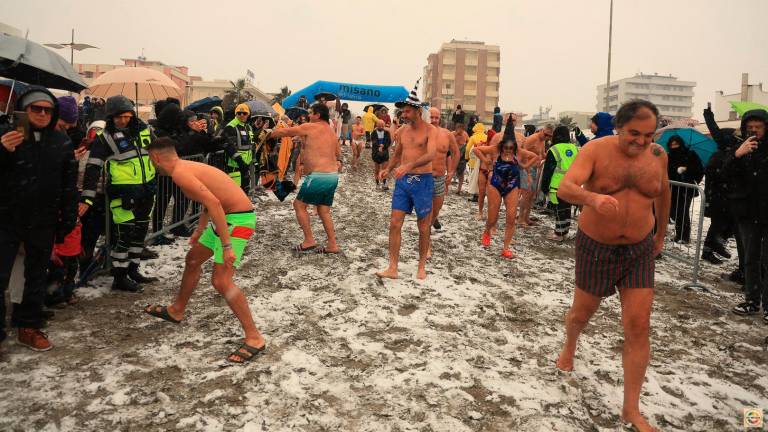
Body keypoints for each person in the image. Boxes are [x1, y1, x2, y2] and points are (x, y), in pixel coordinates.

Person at [554, 100, 670, 432]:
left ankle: (631, 409)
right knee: (581, 314)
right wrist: (593, 199)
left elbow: (662, 193)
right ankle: (570, 344)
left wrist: (660, 235)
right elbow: (566, 188)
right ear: (618, 126)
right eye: (634, 133)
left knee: (638, 325)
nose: (641, 141)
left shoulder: (659, 156)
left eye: (648, 135)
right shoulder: (595, 150)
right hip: (597, 247)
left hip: (639, 249)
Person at [143, 137, 265, 363]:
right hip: (225, 219)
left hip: (238, 221)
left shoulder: (180, 173)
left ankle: (254, 337)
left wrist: (227, 246)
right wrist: (200, 229)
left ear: (156, 158)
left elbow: (214, 203)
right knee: (192, 260)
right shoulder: (184, 168)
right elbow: (210, 200)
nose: (152, 165)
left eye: (151, 160)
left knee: (221, 281)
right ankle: (176, 309)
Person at [0, 87, 78, 351]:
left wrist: (67, 219)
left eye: (48, 109)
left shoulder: (61, 143)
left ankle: (28, 327)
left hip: (43, 221)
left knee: (36, 277)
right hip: (6, 219)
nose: (43, 114)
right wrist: (2, 151)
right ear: (24, 109)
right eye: (36, 108)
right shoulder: (6, 136)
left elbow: (68, 185)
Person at [80, 95, 158, 293]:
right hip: (122, 194)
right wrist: (87, 198)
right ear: (110, 117)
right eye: (118, 117)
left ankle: (133, 269)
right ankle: (119, 276)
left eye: (127, 116)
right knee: (124, 236)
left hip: (147, 190)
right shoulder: (104, 137)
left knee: (139, 235)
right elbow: (92, 168)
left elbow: (161, 152)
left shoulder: (146, 130)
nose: (123, 121)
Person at [376, 84, 437, 280]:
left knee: (423, 226)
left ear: (418, 111)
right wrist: (389, 168)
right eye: (403, 111)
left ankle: (421, 266)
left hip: (423, 181)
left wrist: (408, 167)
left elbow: (431, 154)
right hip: (403, 182)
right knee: (394, 223)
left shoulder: (430, 130)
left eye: (408, 111)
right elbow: (398, 153)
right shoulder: (402, 130)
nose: (404, 115)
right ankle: (392, 267)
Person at [270, 103, 341, 254]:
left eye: (311, 113)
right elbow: (334, 151)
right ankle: (332, 245)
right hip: (332, 176)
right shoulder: (331, 131)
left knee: (299, 205)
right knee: (323, 210)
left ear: (317, 115)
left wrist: (267, 133)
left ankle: (309, 240)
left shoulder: (311, 126)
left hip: (318, 176)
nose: (308, 115)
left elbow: (287, 131)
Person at [723, 109, 768, 321]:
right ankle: (752, 300)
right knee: (750, 258)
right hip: (747, 213)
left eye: (758, 127)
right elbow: (721, 172)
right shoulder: (738, 148)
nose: (754, 131)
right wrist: (737, 155)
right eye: (750, 127)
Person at [473, 116, 537, 258]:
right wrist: (486, 161)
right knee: (493, 217)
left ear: (514, 146)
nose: (508, 150)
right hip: (496, 183)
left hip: (512, 185)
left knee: (510, 217)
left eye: (511, 147)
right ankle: (487, 230)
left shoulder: (518, 152)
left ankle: (506, 248)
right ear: (502, 146)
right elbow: (476, 150)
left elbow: (534, 156)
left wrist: (525, 166)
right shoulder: (495, 149)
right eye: (506, 147)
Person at [540, 126, 579, 242]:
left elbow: (548, 170)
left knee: (559, 210)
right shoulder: (574, 148)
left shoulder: (554, 149)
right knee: (567, 209)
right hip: (571, 184)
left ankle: (559, 234)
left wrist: (544, 186)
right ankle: (565, 231)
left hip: (557, 185)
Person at [666, 135, 704, 244]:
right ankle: (679, 234)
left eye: (676, 144)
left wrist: (686, 170)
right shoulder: (668, 156)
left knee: (683, 212)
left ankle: (684, 236)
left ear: (681, 143)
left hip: (686, 189)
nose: (674, 146)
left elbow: (699, 170)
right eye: (672, 144)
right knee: (675, 212)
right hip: (672, 189)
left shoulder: (690, 154)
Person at [427, 107, 459, 232]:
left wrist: (451, 172)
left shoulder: (447, 134)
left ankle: (433, 219)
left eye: (436, 118)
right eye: (431, 117)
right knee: (424, 210)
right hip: (422, 176)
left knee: (437, 208)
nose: (434, 120)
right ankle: (426, 234)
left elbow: (456, 153)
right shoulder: (419, 132)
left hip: (439, 177)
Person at [518, 124, 552, 226]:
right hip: (528, 169)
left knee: (532, 196)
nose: (547, 137)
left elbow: (541, 154)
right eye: (546, 134)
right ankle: (520, 219)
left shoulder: (543, 141)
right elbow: (521, 153)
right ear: (542, 130)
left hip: (536, 169)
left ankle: (526, 217)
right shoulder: (532, 138)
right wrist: (527, 169)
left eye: (549, 136)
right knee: (526, 195)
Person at [221, 103, 255, 194]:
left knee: (245, 191)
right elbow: (228, 146)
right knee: (235, 193)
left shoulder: (248, 127)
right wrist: (240, 161)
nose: (241, 115)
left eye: (244, 113)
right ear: (235, 114)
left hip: (246, 165)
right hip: (234, 166)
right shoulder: (231, 126)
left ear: (248, 114)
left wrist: (254, 160)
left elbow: (251, 145)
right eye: (239, 113)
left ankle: (244, 208)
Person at [466, 122, 489, 216]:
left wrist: (466, 158)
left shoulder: (473, 137)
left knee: (475, 179)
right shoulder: (486, 137)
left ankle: (476, 196)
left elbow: (468, 149)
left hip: (475, 161)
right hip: (486, 163)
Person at [371, 120, 392, 190]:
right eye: (379, 125)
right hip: (376, 153)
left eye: (382, 125)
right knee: (377, 170)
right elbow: (373, 141)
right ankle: (377, 183)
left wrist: (383, 146)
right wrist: (379, 146)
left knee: (384, 169)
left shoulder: (387, 132)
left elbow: (389, 141)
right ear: (377, 125)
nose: (381, 127)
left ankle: (384, 183)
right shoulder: (374, 132)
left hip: (385, 152)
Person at [451, 122, 470, 194]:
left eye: (462, 130)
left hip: (462, 157)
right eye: (459, 130)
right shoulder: (452, 134)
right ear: (456, 129)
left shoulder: (465, 134)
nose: (461, 132)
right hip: (453, 154)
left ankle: (459, 188)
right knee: (451, 170)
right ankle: (446, 185)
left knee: (461, 172)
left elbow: (469, 142)